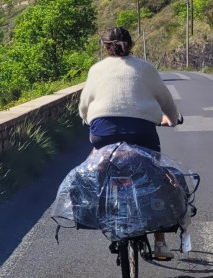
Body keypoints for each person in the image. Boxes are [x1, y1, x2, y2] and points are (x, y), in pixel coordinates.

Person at [78, 26, 182, 260]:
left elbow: (84, 105)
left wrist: (88, 119)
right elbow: (165, 100)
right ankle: (160, 243)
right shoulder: (145, 68)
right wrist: (173, 119)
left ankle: (104, 211)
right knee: (155, 178)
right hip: (141, 132)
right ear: (131, 44)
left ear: (104, 46)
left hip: (103, 130)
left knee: (98, 164)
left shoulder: (96, 69)